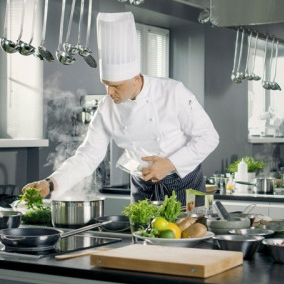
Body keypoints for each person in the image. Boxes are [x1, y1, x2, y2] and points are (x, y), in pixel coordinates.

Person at [23, 12, 219, 205]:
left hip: (184, 183)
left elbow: (209, 137)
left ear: (136, 79)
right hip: (143, 187)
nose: (109, 92)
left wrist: (169, 164)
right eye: (106, 84)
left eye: (116, 86)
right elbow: (87, 156)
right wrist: (50, 183)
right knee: (140, 228)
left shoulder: (173, 92)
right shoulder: (106, 109)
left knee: (190, 228)